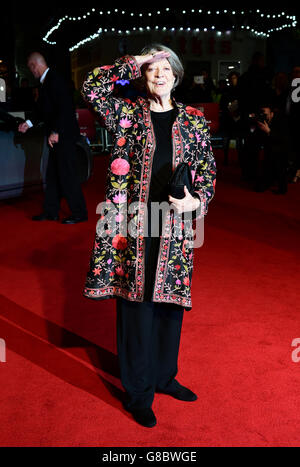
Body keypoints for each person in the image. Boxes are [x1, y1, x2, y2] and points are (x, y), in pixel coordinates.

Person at [81, 44, 216, 428]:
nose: (159, 75)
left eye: (166, 69)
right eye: (152, 70)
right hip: (131, 224)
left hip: (173, 224)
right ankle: (138, 390)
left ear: (177, 75)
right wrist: (137, 59)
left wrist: (197, 201)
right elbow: (92, 88)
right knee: (136, 301)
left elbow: (206, 168)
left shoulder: (193, 119)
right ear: (142, 75)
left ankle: (163, 377)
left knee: (170, 303)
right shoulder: (125, 113)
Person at [18, 52, 88, 224]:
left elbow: (65, 108)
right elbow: (43, 110)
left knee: (67, 174)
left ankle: (80, 213)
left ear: (35, 65)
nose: (31, 72)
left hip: (63, 136)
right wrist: (28, 123)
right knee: (53, 176)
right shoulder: (47, 82)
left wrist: (56, 131)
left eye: (30, 68)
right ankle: (51, 211)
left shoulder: (55, 80)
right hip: (56, 136)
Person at [242, 104, 291, 194]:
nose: (263, 115)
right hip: (268, 152)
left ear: (271, 114)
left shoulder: (281, 121)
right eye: (261, 113)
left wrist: (268, 131)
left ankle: (281, 186)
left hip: (281, 150)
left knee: (277, 156)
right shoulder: (261, 121)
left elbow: (283, 139)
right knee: (258, 188)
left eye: (265, 114)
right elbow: (255, 137)